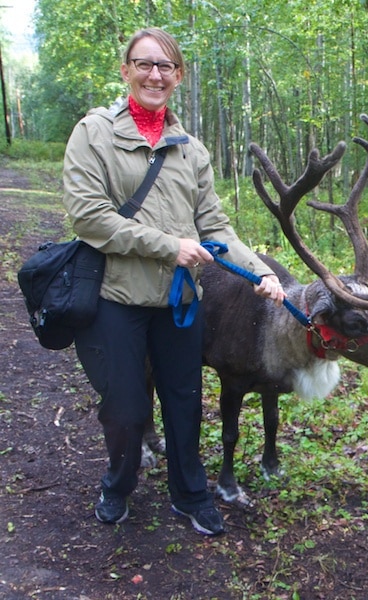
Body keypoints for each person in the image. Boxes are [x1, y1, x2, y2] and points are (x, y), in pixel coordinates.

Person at [62, 27, 286, 536]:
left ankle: (190, 494)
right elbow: (89, 216)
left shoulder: (192, 150)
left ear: (178, 76)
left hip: (179, 299)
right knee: (125, 407)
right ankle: (118, 485)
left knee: (184, 401)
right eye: (144, 64)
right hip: (115, 297)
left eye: (165, 66)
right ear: (126, 70)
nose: (154, 74)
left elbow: (216, 227)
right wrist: (170, 246)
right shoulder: (93, 133)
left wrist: (261, 270)